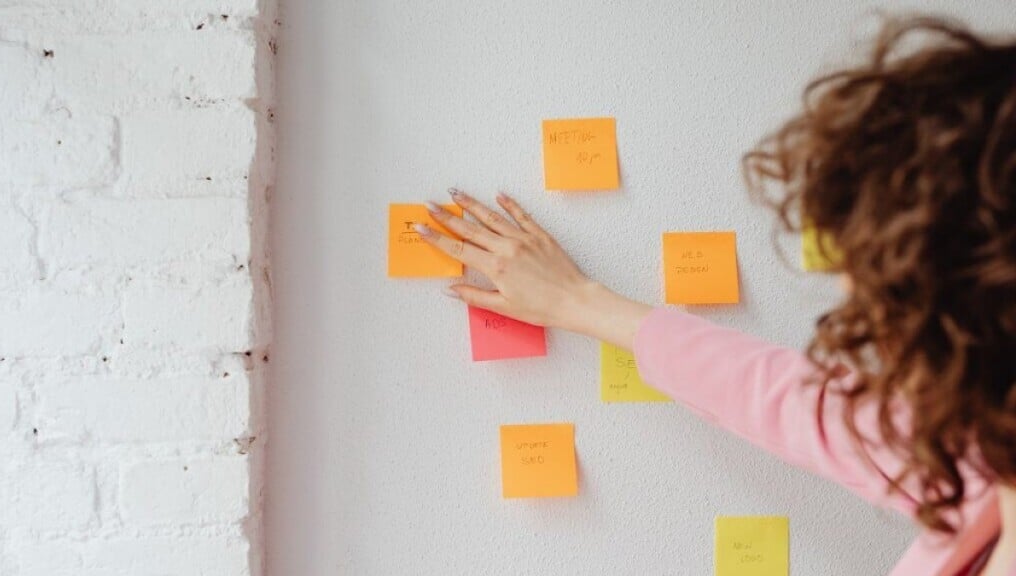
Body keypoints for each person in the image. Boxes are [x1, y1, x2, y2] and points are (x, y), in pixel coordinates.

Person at [415, 17, 1016, 576]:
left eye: (884, 306)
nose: (862, 332)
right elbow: (796, 402)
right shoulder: (977, 456)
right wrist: (577, 302)